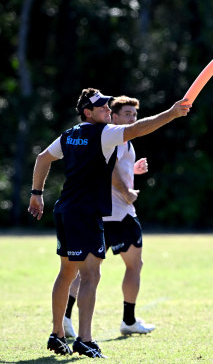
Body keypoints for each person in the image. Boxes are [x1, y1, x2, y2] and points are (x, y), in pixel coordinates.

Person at [28, 88, 191, 358]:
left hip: (65, 209)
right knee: (91, 275)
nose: (107, 109)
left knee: (66, 273)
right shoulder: (103, 132)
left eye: (107, 105)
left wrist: (36, 194)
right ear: (87, 112)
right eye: (101, 107)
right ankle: (85, 339)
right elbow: (139, 128)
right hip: (86, 213)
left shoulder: (70, 135)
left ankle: (57, 334)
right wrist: (172, 114)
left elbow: (43, 157)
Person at [63, 96, 155, 340]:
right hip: (120, 212)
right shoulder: (113, 135)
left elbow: (109, 167)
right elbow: (111, 171)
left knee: (87, 271)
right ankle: (128, 320)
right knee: (134, 265)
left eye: (134, 115)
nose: (132, 119)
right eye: (127, 114)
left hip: (101, 212)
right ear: (113, 116)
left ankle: (65, 318)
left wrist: (132, 171)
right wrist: (127, 193)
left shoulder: (118, 139)